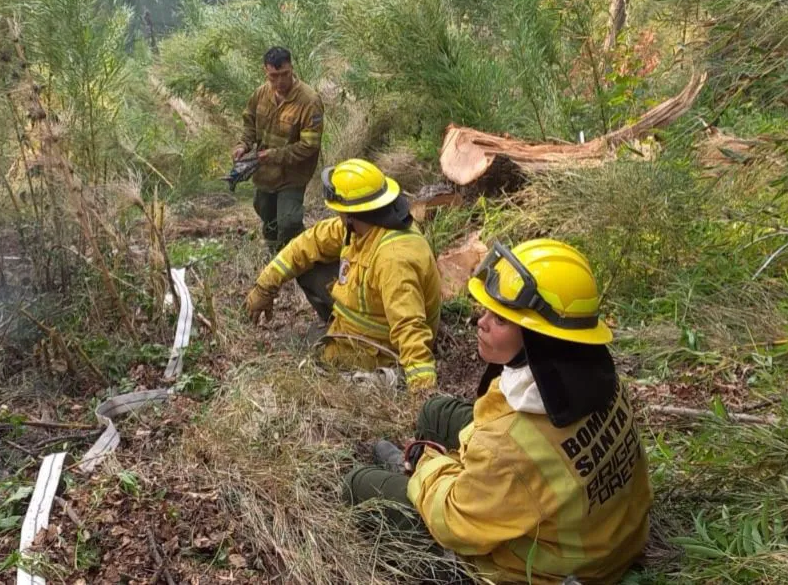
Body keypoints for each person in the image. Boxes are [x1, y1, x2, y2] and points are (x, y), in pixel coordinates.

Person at [342, 239, 653, 584]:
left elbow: (452, 522)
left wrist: (426, 464)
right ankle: (453, 483)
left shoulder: (504, 449)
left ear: (539, 337)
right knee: (435, 413)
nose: (481, 322)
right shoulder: (591, 374)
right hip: (609, 536)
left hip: (547, 570)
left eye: (501, 319)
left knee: (359, 484)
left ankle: (418, 484)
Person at [244, 158, 442, 391]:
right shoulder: (365, 224)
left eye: (338, 211)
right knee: (309, 266)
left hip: (379, 350)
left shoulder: (394, 259)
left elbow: (409, 326)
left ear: (350, 214)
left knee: (308, 361)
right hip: (363, 323)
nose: (336, 215)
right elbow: (309, 243)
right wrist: (265, 287)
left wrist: (422, 390)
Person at [233, 46, 324, 251]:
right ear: (266, 72)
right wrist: (243, 145)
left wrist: (275, 155)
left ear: (292, 68)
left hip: (293, 173)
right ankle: (274, 254)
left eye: (285, 74)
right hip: (265, 173)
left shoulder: (309, 101)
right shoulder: (261, 94)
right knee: (266, 213)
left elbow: (309, 145)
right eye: (274, 76)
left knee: (289, 221)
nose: (280, 82)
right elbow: (249, 122)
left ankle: (301, 255)